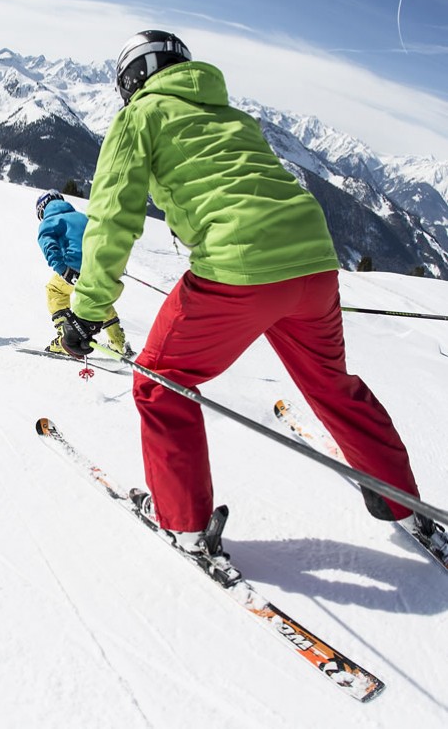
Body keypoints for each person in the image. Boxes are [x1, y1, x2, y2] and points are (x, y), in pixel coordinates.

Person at [60, 29, 428, 555]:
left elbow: (113, 212)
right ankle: (398, 500)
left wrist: (89, 307)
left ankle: (183, 523)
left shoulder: (140, 115)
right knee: (330, 384)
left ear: (134, 78)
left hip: (239, 270)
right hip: (316, 265)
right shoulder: (233, 115)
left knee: (159, 381)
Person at [36, 189, 132, 356]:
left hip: (74, 268)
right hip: (98, 266)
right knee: (96, 298)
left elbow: (49, 246)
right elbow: (100, 237)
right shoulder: (82, 217)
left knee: (55, 290)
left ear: (42, 209)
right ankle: (118, 342)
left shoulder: (49, 221)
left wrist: (63, 270)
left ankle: (66, 340)